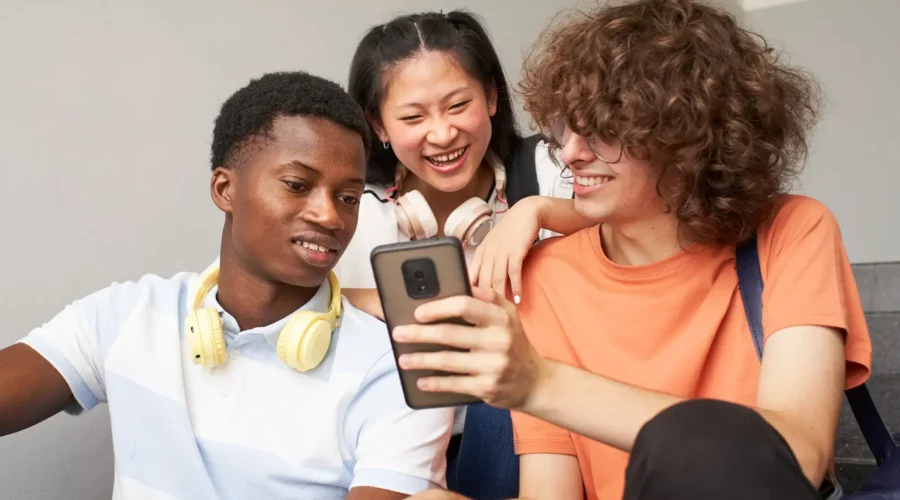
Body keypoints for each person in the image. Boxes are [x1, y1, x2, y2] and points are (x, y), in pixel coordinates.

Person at [395, 1, 873, 499]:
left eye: (603, 129)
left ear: (689, 133)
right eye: (566, 127)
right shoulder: (547, 275)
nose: (573, 153)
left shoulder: (792, 230)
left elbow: (794, 456)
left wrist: (539, 384)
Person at [0, 71, 454, 500]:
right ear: (224, 189)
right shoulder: (128, 315)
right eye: (298, 185)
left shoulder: (397, 370)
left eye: (348, 197)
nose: (330, 216)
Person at [335, 10, 573, 496]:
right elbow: (297, 299)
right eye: (413, 117)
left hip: (527, 436)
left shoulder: (550, 170)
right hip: (399, 441)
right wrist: (371, 300)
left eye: (457, 104)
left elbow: (632, 218)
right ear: (378, 125)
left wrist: (538, 213)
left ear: (489, 97)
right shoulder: (355, 213)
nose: (442, 134)